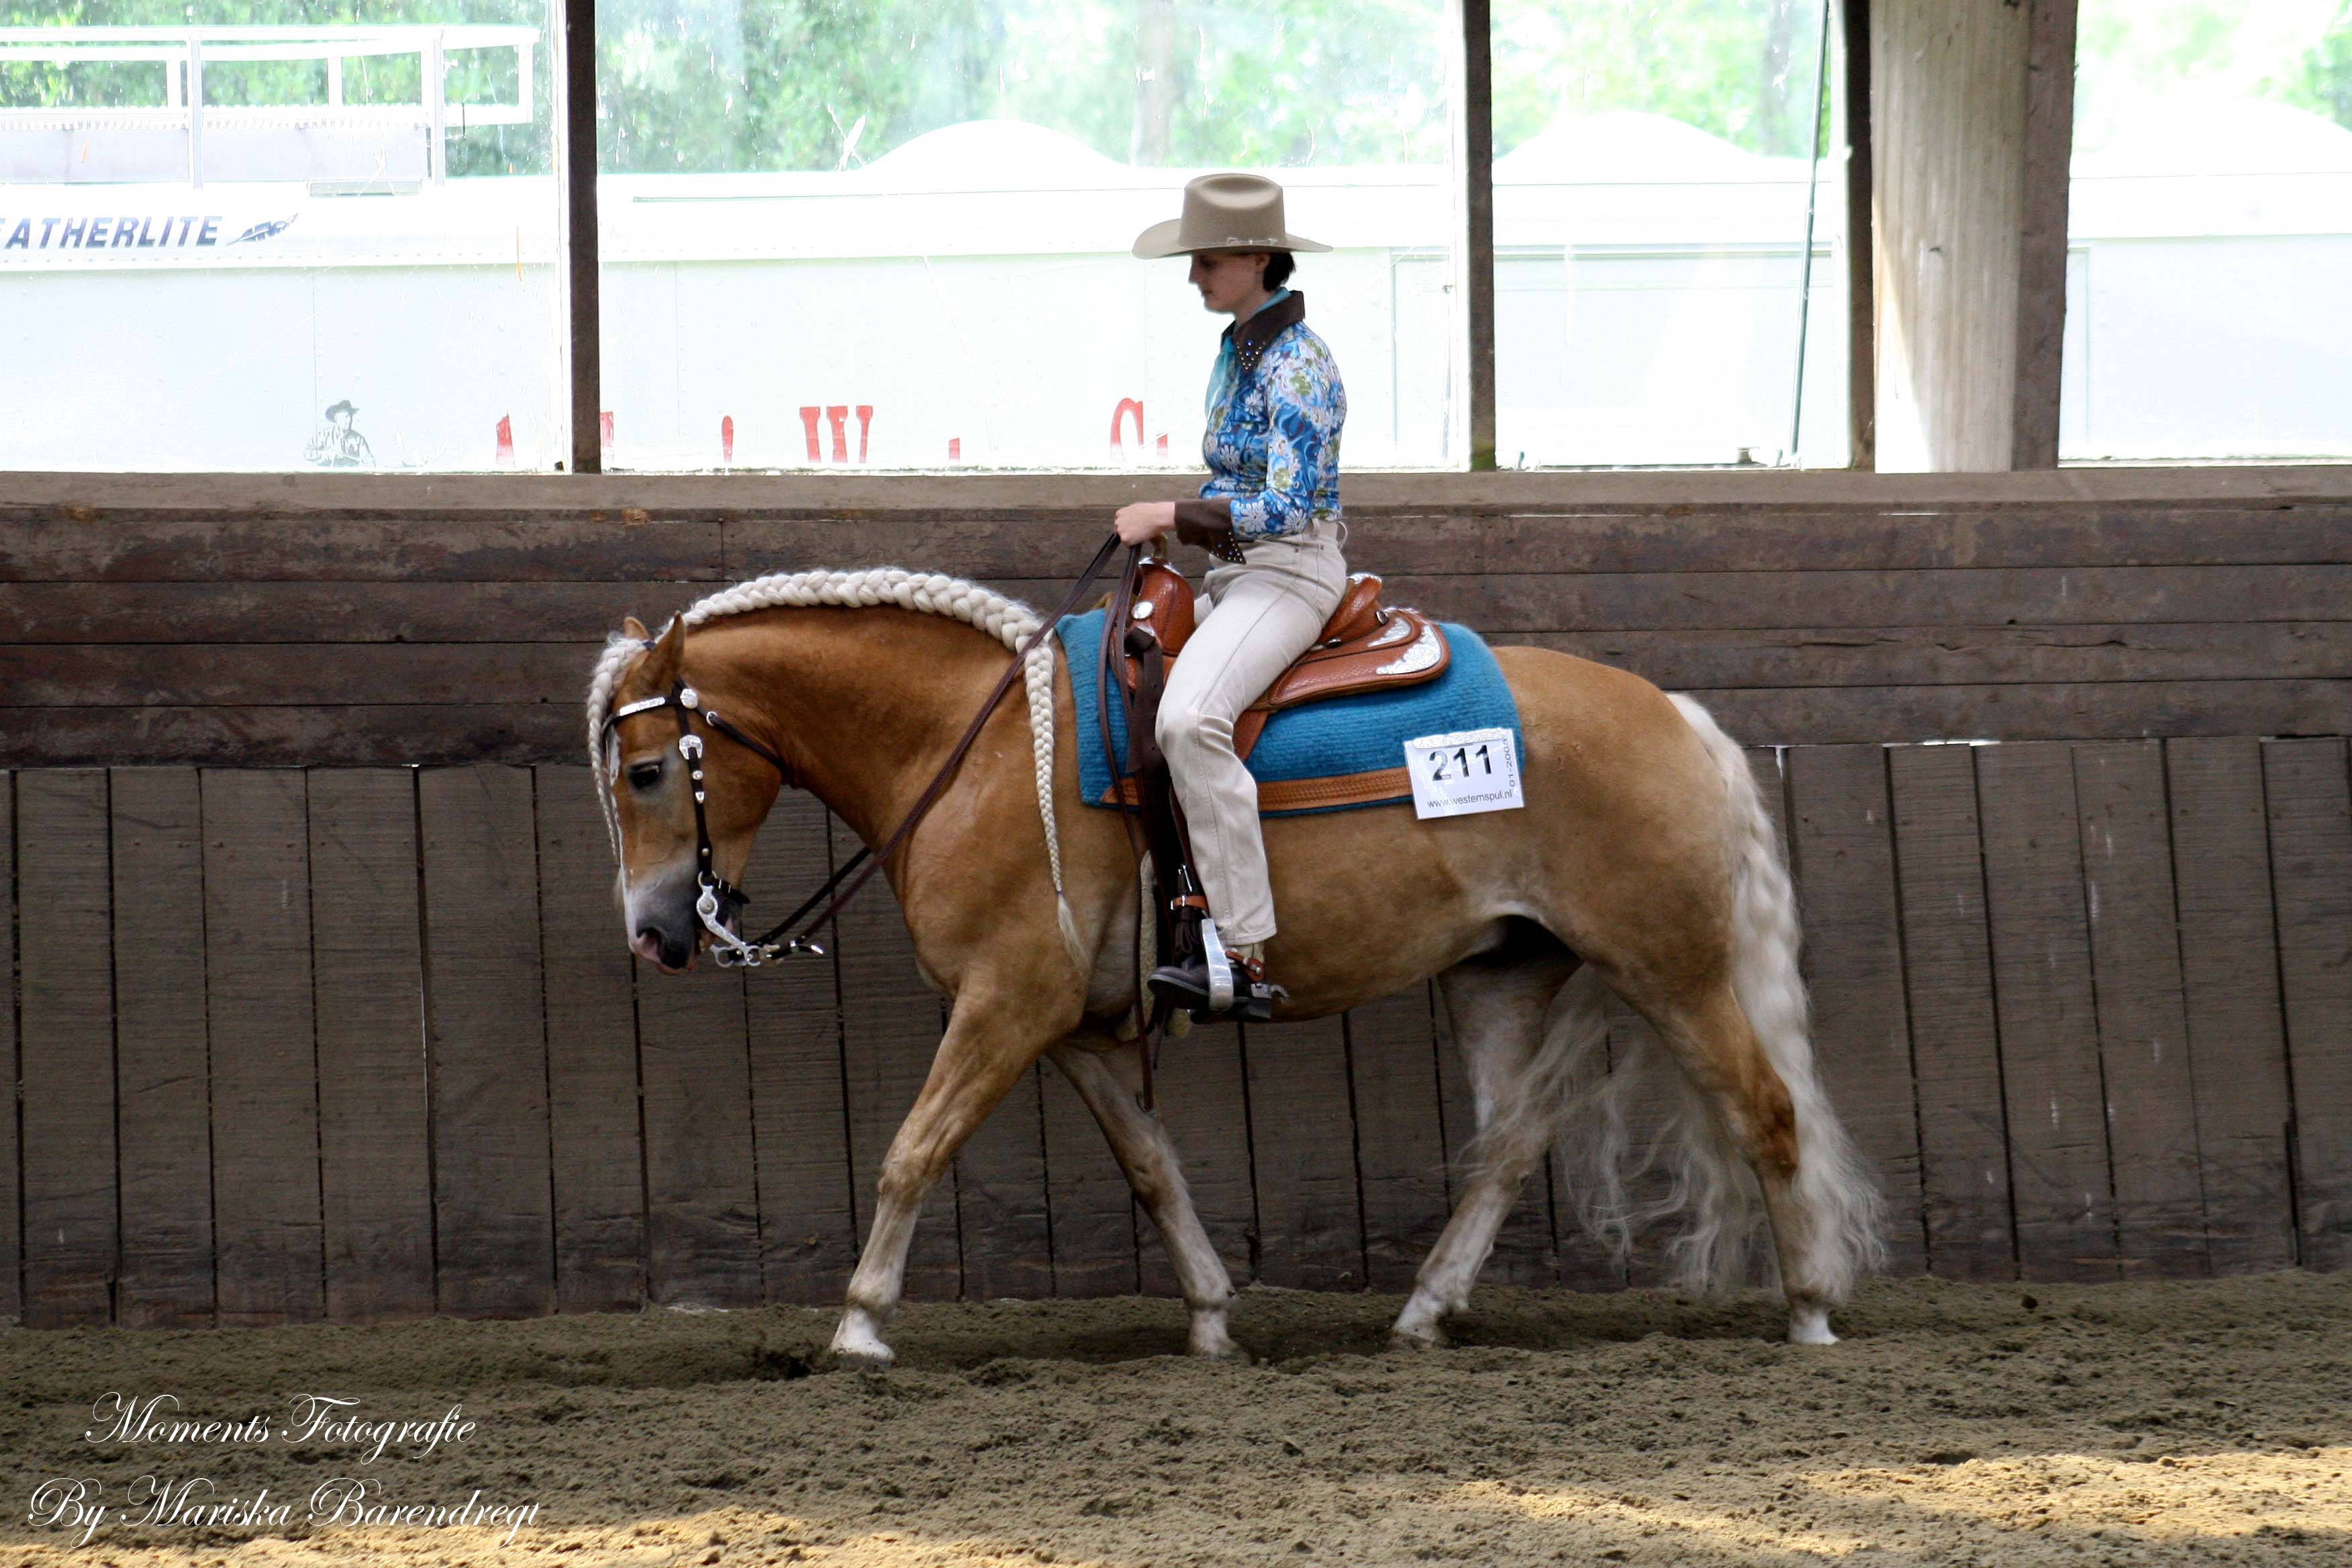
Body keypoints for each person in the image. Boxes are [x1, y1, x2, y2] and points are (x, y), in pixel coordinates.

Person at [1115, 171, 1348, 1020]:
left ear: (1256, 259)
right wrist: (1188, 526)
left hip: (1289, 572)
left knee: (1188, 720)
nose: (1193, 277)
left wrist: (1170, 512)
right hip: (1238, 573)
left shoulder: (1300, 366)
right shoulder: (1239, 351)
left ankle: (1243, 949)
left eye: (1207, 261)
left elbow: (1286, 505)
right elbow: (1237, 484)